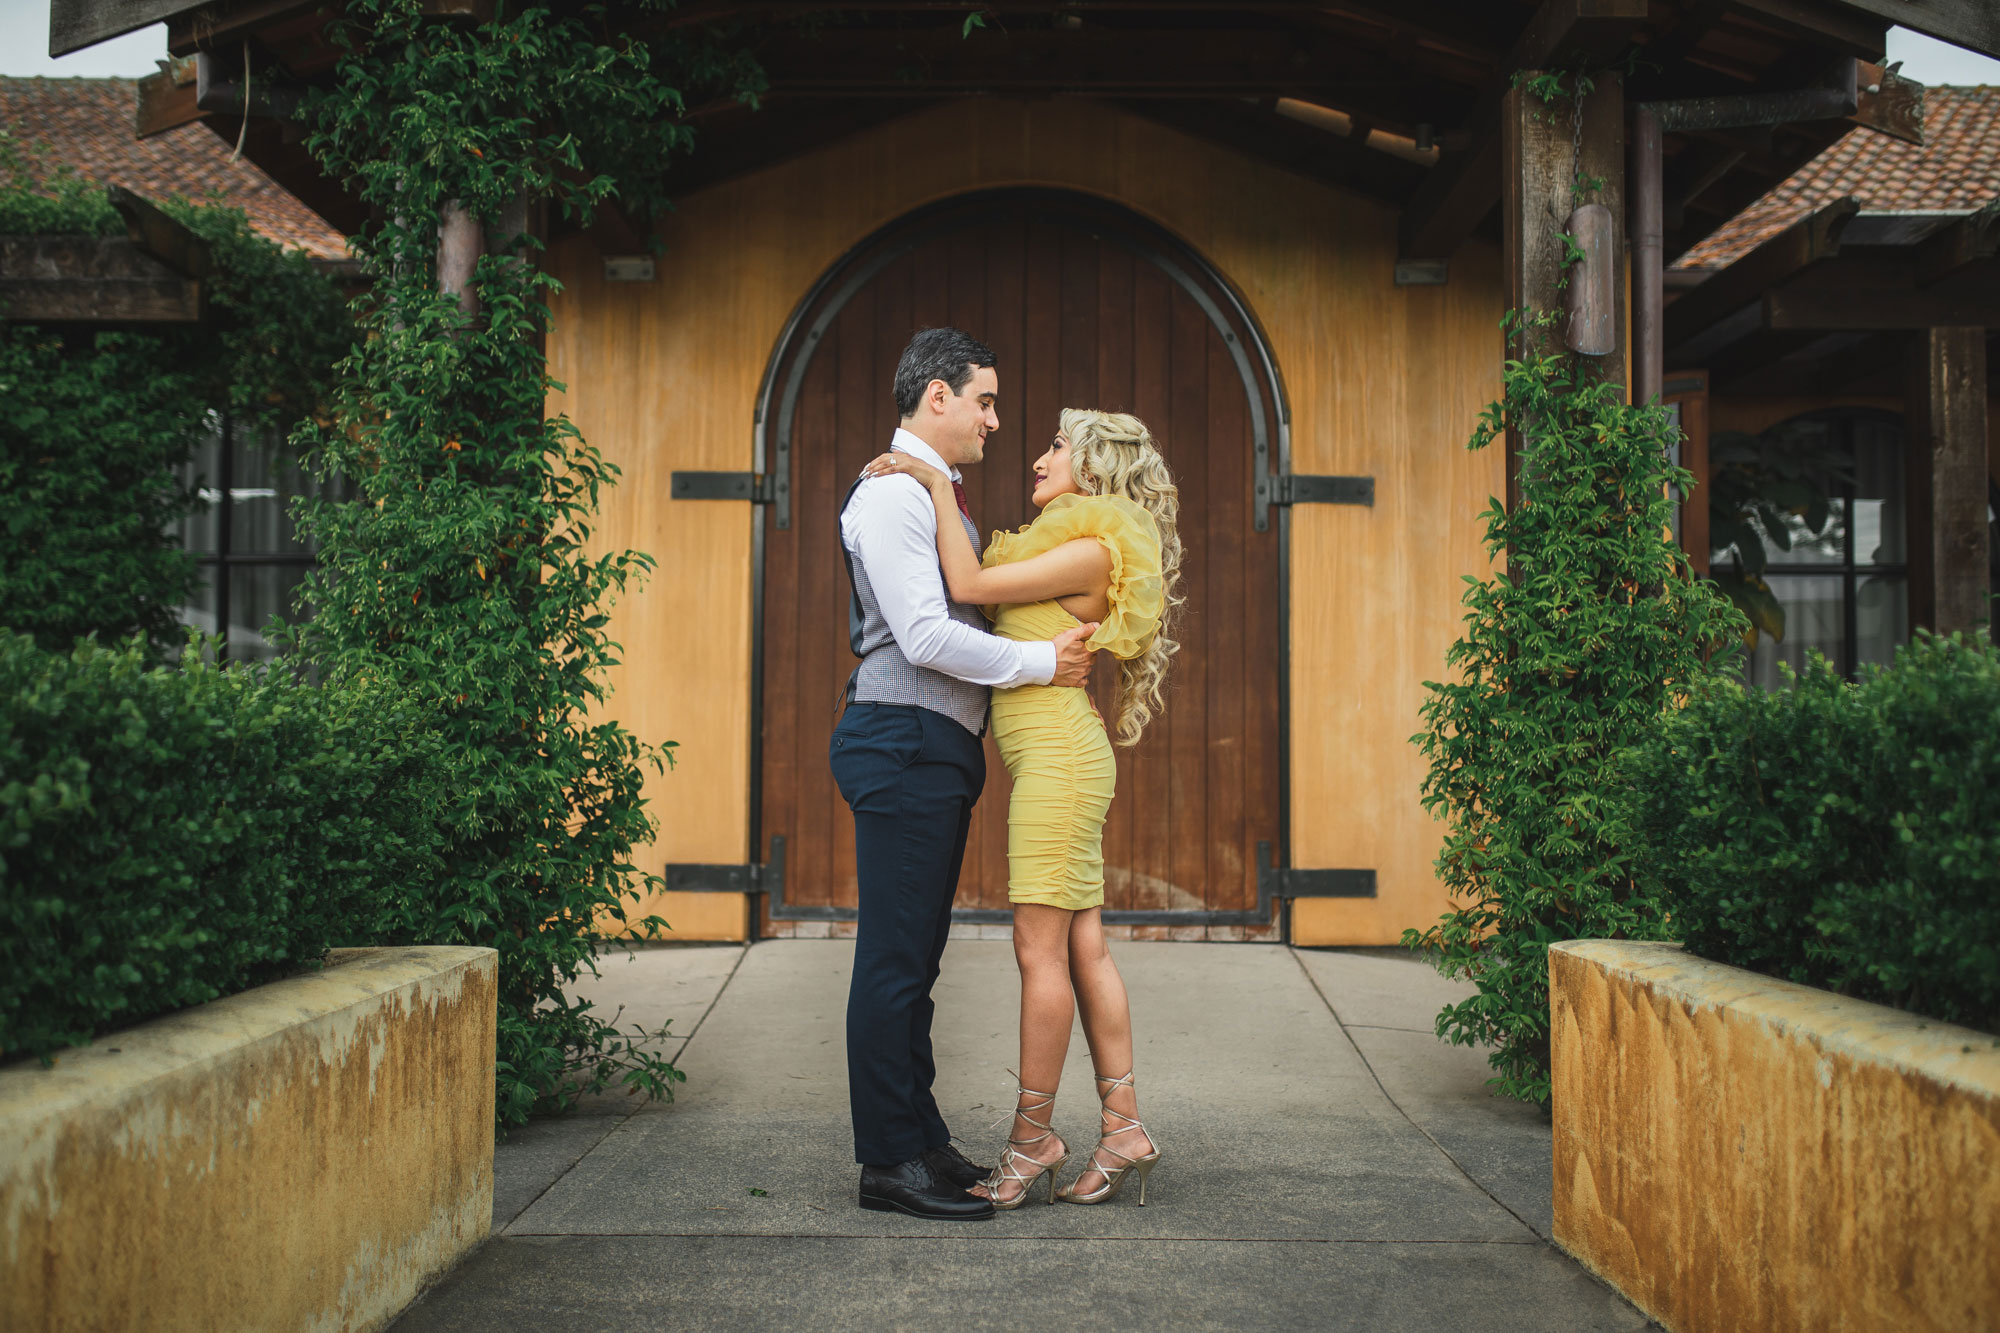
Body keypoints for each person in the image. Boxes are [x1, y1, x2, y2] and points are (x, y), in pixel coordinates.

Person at [859, 405, 1182, 1210]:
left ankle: (1032, 1137)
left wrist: (933, 479)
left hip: (1059, 765)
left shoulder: (1082, 549)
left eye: (1057, 445)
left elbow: (964, 587)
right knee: (1083, 949)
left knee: (1041, 955)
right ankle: (1123, 1124)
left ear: (1095, 469)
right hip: (1063, 760)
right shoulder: (1072, 545)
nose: (1038, 455)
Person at [831, 327, 1098, 1222]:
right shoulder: (891, 498)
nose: (994, 419)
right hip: (901, 738)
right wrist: (1039, 663)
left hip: (930, 747)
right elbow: (925, 638)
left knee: (917, 960)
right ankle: (886, 1164)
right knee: (893, 963)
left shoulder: (929, 494)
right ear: (935, 396)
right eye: (983, 399)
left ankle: (919, 1136)